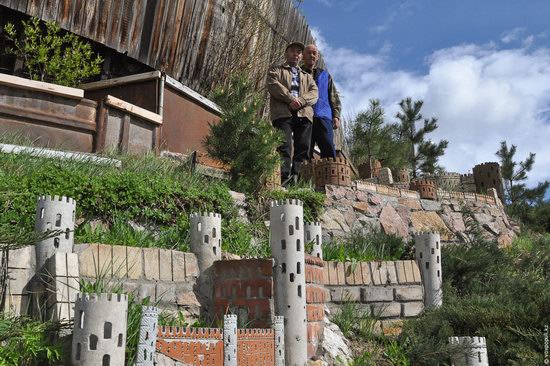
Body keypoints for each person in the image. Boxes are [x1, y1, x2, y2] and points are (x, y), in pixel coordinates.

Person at [267, 41, 318, 186]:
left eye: (299, 52)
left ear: (301, 57)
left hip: (304, 115)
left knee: (303, 148)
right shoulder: (276, 70)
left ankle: (297, 181)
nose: (296, 54)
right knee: (284, 146)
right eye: (293, 51)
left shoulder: (308, 77)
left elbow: (314, 93)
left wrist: (300, 101)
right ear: (286, 53)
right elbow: (272, 84)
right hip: (283, 113)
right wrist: (290, 99)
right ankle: (283, 180)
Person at [302, 44, 342, 159]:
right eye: (309, 53)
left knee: (328, 146)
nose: (311, 55)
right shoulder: (298, 74)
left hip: (323, 116)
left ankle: (331, 176)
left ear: (318, 56)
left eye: (314, 53)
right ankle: (304, 177)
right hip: (304, 116)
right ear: (303, 56)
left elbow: (333, 97)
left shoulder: (325, 76)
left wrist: (336, 116)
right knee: (304, 148)